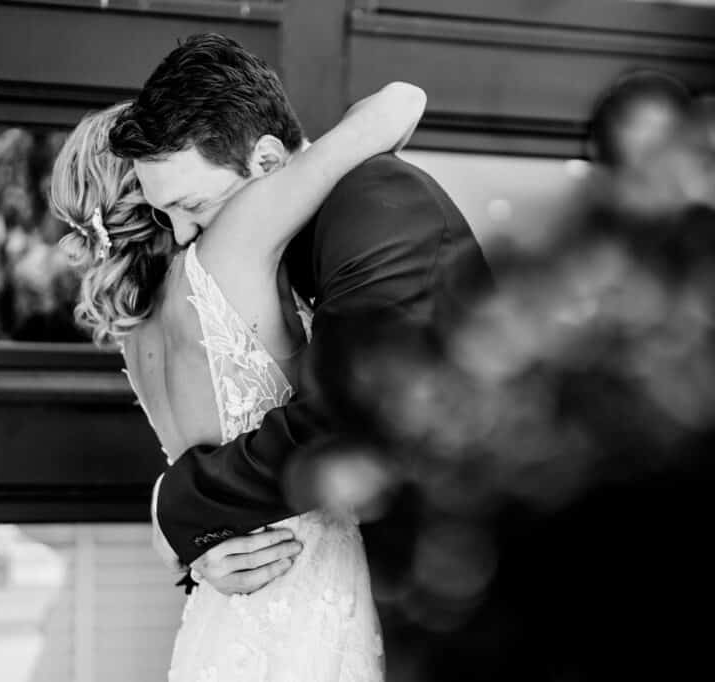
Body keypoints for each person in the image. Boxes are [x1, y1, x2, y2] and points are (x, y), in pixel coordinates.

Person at [51, 77, 426, 681]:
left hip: (223, 613)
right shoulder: (236, 244)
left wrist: (184, 545)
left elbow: (198, 479)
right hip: (319, 596)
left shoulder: (135, 335)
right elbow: (396, 107)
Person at [107, 34, 494, 601]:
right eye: (164, 215)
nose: (183, 235)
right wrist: (213, 549)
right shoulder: (271, 255)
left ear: (266, 160)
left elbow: (353, 418)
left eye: (190, 206)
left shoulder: (377, 201)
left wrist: (177, 510)